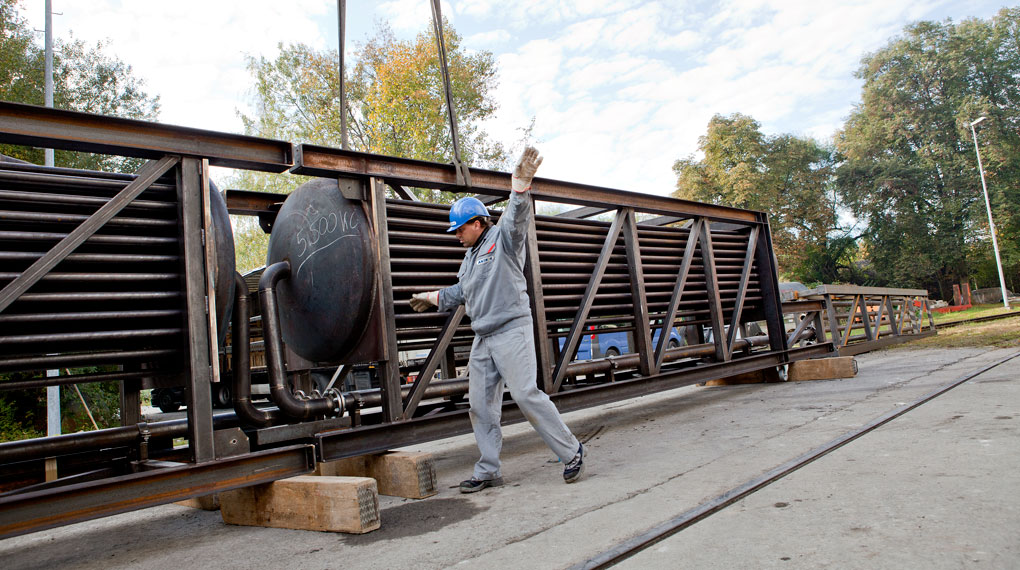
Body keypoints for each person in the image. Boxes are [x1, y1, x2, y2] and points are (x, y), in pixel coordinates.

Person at [408, 147, 586, 492]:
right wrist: (432, 297)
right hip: (483, 338)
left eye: (460, 229)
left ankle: (572, 451)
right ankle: (488, 469)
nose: (456, 235)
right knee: (479, 405)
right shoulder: (468, 259)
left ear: (478, 223)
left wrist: (520, 186)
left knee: (525, 394)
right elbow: (463, 292)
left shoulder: (502, 240)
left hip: (511, 330)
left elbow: (517, 219)